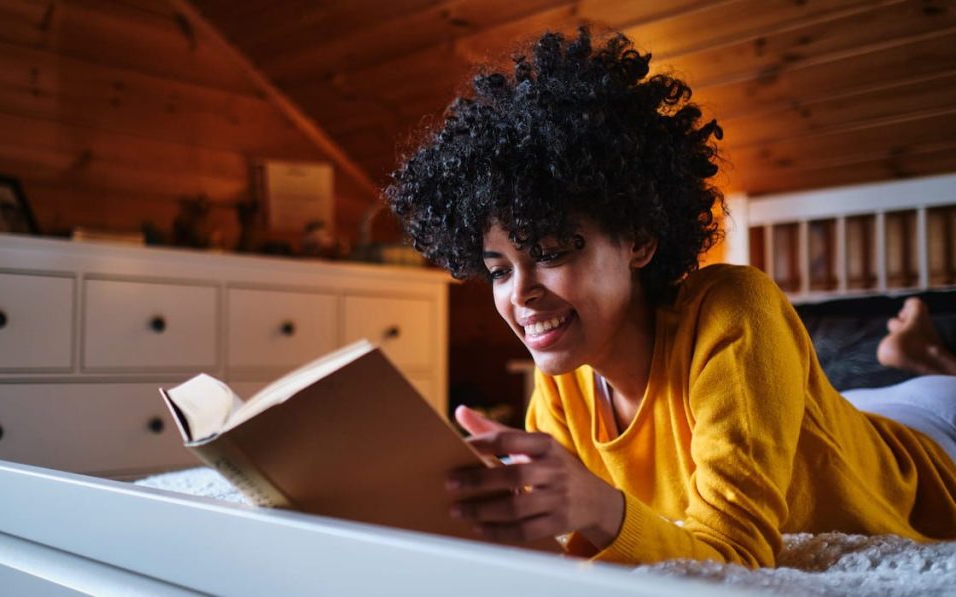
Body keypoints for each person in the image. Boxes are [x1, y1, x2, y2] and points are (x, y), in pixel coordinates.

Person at [385, 28, 956, 568]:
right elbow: (575, 551)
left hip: (933, 438)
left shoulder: (735, 309)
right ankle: (913, 355)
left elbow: (735, 558)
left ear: (639, 239)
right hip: (855, 412)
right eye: (499, 271)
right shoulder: (562, 377)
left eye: (553, 253)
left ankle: (928, 360)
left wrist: (597, 505)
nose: (522, 296)